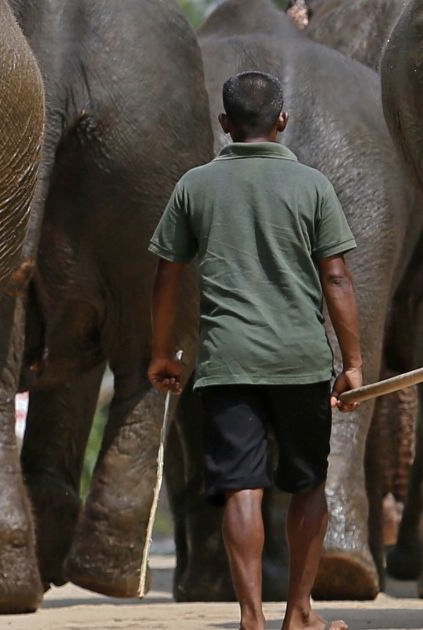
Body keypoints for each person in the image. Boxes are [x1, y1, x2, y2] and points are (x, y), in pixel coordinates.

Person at [148, 70, 362, 630]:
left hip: (227, 362)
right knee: (307, 483)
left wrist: (163, 352)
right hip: (302, 361)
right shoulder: (313, 186)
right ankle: (299, 614)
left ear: (225, 125)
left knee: (242, 486)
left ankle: (251, 619)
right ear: (282, 122)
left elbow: (167, 277)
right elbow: (336, 278)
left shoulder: (194, 185)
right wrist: (355, 365)